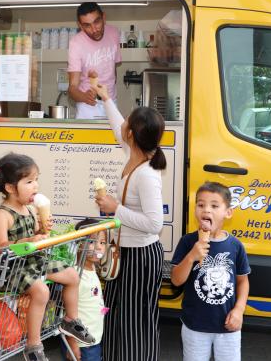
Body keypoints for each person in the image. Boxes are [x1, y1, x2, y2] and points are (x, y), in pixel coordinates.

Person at [0, 153, 95, 361]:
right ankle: (33, 344)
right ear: (11, 188)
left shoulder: (30, 210)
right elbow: (0, 249)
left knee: (72, 276)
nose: (36, 186)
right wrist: (29, 240)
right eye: (29, 182)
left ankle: (70, 320)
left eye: (37, 180)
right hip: (13, 267)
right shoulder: (2, 214)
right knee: (41, 291)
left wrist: (43, 229)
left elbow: (39, 237)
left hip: (35, 261)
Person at [92, 83, 166, 361]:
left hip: (140, 256)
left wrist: (116, 208)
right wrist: (106, 98)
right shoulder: (134, 153)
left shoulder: (146, 174)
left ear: (132, 135)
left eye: (128, 125)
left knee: (136, 322)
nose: (122, 127)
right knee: (115, 316)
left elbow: (154, 223)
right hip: (126, 254)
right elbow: (117, 126)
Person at [170, 182, 251, 361]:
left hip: (228, 327)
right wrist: (192, 256)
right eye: (201, 205)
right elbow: (176, 280)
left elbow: (242, 281)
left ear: (228, 212)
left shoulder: (235, 246)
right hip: (195, 326)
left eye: (214, 206)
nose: (206, 210)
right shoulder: (187, 242)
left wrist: (239, 310)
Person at [62, 218, 109, 361]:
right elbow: (68, 313)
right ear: (78, 243)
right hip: (81, 344)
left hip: (92, 339)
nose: (99, 247)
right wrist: (72, 342)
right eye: (92, 242)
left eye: (102, 242)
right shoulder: (75, 275)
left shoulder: (92, 267)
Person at [67, 2, 122, 119]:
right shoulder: (76, 43)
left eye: (97, 22)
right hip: (88, 107)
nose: (94, 29)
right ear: (80, 26)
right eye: (87, 25)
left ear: (104, 17)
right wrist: (84, 97)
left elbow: (113, 70)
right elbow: (72, 87)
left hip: (111, 102)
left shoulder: (114, 33)